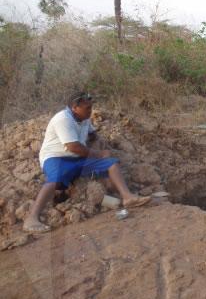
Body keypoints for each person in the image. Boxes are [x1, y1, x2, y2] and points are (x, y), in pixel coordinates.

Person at [23, 91, 151, 233]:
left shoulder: (83, 118)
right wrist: (99, 154)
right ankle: (32, 218)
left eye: (91, 107)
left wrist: (97, 142)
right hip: (55, 157)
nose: (90, 111)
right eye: (87, 108)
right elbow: (73, 147)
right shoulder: (63, 119)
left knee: (111, 163)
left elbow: (92, 134)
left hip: (78, 158)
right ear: (74, 108)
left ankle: (127, 197)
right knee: (55, 180)